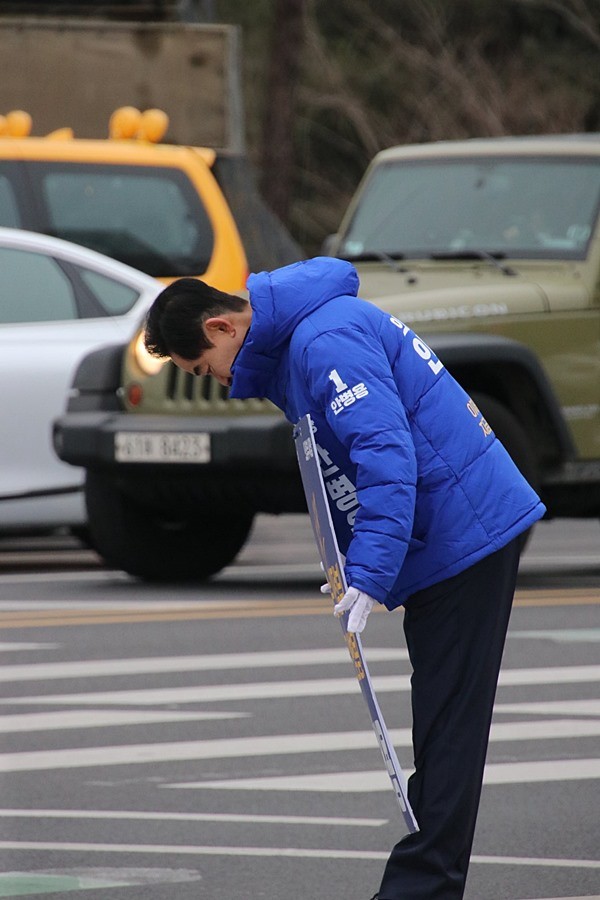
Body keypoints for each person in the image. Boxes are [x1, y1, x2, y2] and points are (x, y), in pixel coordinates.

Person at [144, 257, 545, 900]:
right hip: (450, 532)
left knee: (449, 729)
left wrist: (371, 570)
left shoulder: (324, 339)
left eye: (203, 367)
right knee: (443, 724)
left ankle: (420, 888)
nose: (216, 380)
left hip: (466, 534)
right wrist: (348, 561)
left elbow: (385, 453)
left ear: (221, 327)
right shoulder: (302, 340)